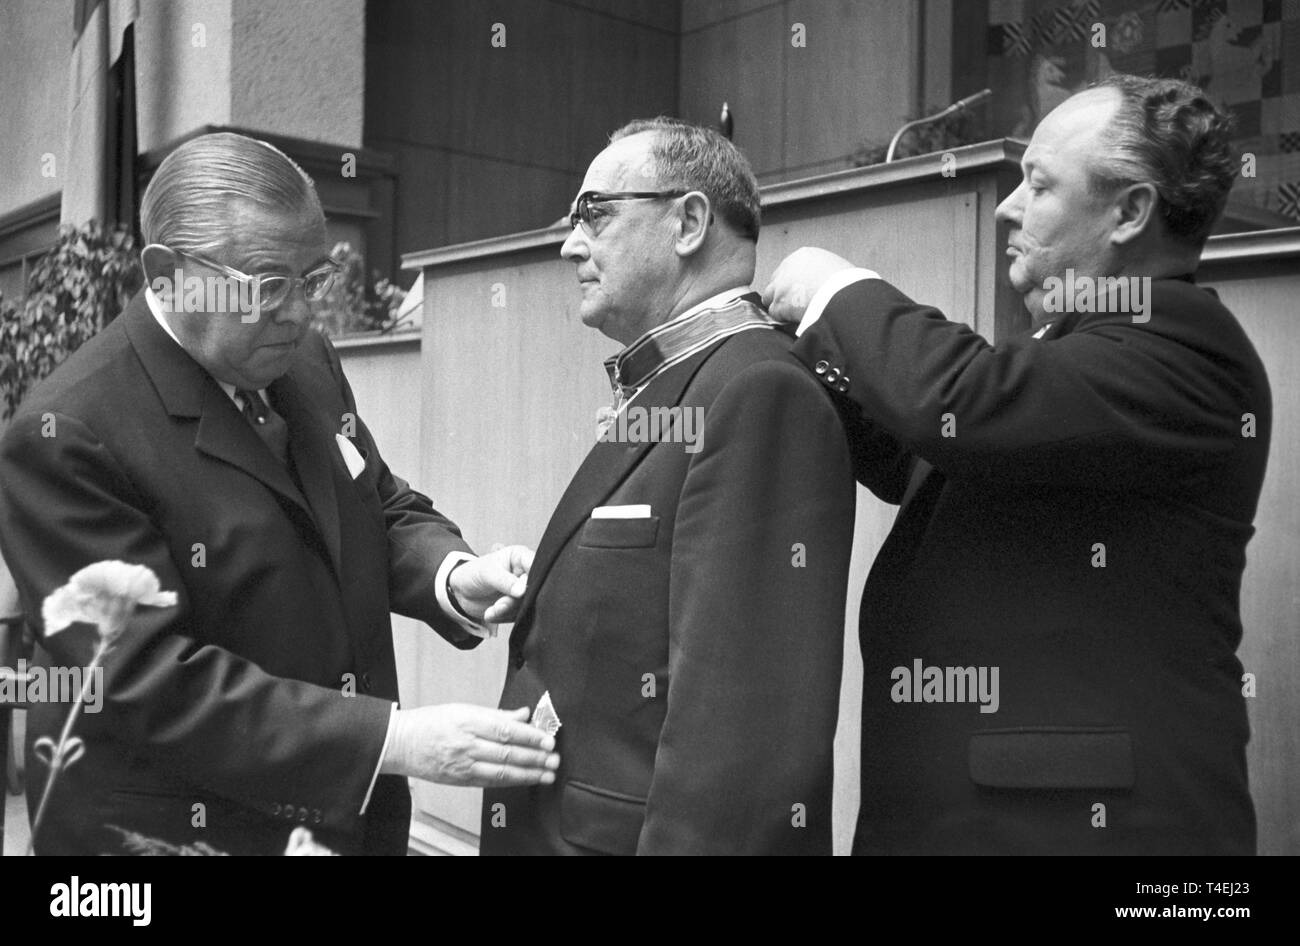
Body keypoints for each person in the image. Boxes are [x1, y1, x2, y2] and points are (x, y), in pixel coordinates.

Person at [0, 132, 558, 856]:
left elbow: (374, 505)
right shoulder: (67, 431)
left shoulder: (304, 364)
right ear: (167, 273)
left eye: (311, 279)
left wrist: (453, 575)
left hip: (351, 817)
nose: (298, 313)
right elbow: (147, 680)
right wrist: (390, 738)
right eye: (266, 285)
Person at [762, 74, 1272, 855]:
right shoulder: (1078, 353)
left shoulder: (1184, 349)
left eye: (1038, 184)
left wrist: (838, 289)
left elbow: (961, 402)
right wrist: (794, 359)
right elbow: (921, 457)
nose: (1008, 205)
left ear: (1130, 211)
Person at [480, 118, 857, 855]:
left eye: (594, 213)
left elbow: (741, 738)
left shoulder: (757, 389)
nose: (570, 243)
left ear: (688, 222)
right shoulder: (682, 380)